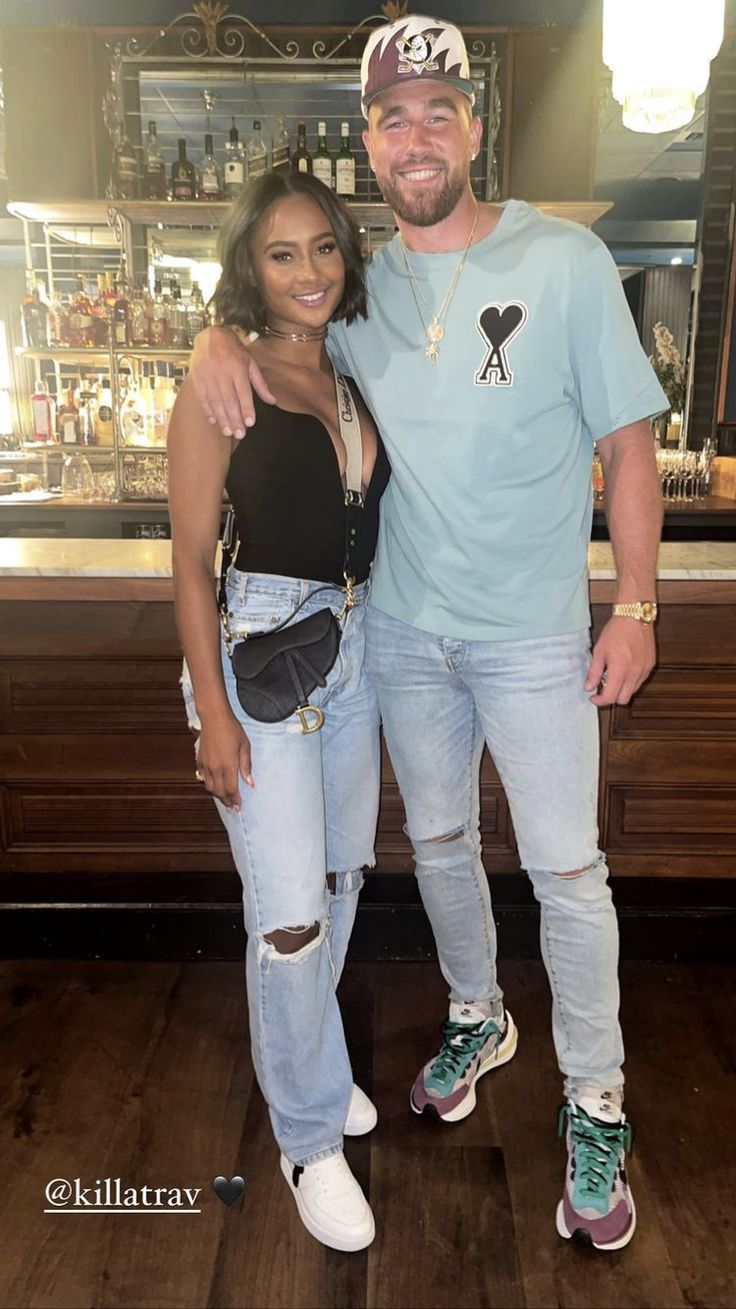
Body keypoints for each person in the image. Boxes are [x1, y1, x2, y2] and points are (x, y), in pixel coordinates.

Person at [188, 15, 668, 1252]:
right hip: (394, 635)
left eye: (436, 111)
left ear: (472, 126)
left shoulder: (562, 260)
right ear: (370, 140)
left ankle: (595, 1097)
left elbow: (626, 449)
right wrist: (205, 335)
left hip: (531, 637)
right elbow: (265, 319)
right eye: (392, 117)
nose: (415, 135)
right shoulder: (356, 289)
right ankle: (476, 1012)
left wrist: (635, 604)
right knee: (439, 845)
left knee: (569, 873)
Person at [168, 170, 389, 1253]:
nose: (308, 271)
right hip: (257, 657)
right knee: (291, 907)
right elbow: (185, 566)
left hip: (350, 649)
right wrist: (212, 712)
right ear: (248, 269)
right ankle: (306, 1135)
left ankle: (317, 1061)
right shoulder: (225, 378)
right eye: (281, 254)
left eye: (323, 249)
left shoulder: (344, 369)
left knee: (345, 874)